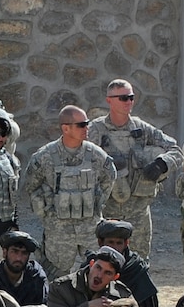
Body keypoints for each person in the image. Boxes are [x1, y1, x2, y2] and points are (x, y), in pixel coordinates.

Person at [20, 105, 117, 275]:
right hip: (58, 230)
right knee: (55, 275)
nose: (86, 128)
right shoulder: (45, 156)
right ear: (65, 128)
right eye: (81, 125)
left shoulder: (96, 155)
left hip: (89, 227)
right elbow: (31, 185)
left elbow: (109, 178)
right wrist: (47, 212)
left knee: (97, 271)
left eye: (87, 123)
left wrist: (96, 203)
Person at [85, 77, 180, 249]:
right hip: (106, 213)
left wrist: (162, 163)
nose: (128, 101)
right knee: (105, 263)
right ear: (109, 101)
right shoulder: (95, 131)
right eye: (123, 98)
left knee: (139, 265)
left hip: (139, 214)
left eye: (131, 97)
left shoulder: (142, 129)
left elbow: (176, 150)